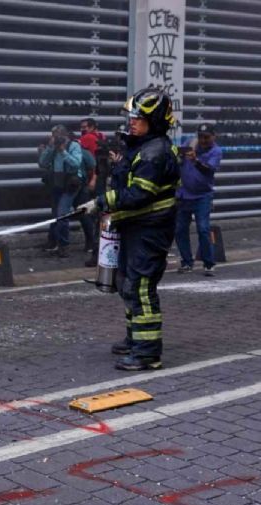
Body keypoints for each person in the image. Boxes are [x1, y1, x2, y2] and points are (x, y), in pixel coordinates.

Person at [78, 88, 181, 371]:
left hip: (150, 230)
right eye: (132, 116)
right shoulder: (142, 146)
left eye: (138, 117)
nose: (132, 121)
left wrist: (100, 202)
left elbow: (138, 195)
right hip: (134, 227)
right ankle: (135, 338)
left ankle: (147, 353)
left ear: (156, 120)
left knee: (141, 287)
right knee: (126, 283)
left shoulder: (155, 152)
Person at [176, 124, 222, 276]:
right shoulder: (190, 143)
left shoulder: (216, 151)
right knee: (180, 229)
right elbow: (178, 157)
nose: (203, 140)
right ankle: (186, 262)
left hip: (202, 196)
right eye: (201, 136)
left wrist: (195, 161)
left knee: (203, 229)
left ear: (213, 136)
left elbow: (209, 170)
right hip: (184, 195)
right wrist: (180, 156)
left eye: (206, 137)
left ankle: (208, 263)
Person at [38, 125, 89, 258]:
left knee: (62, 214)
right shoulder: (53, 147)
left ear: (65, 136)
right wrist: (50, 148)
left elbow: (76, 163)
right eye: (54, 136)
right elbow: (42, 163)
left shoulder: (74, 146)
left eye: (58, 136)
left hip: (70, 185)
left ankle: (64, 246)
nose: (56, 139)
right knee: (56, 215)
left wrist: (63, 151)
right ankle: (56, 243)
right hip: (56, 184)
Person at [78, 118, 106, 266]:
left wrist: (93, 179)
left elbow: (95, 162)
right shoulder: (101, 138)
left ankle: (93, 245)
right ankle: (93, 245)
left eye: (85, 127)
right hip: (99, 179)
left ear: (92, 127)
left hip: (91, 180)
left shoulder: (88, 138)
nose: (82, 130)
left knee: (90, 212)